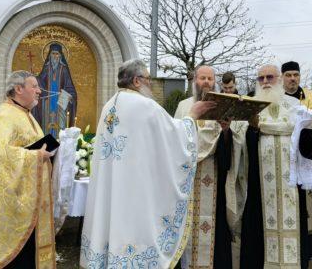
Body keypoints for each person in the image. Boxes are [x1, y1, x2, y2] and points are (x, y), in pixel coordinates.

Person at [80, 59, 215, 268]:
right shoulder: (144, 106)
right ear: (136, 80)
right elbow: (175, 138)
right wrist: (192, 116)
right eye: (147, 79)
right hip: (136, 192)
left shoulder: (109, 105)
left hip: (113, 188)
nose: (149, 84)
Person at [0, 71, 58, 268]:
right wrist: (35, 156)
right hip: (13, 202)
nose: (39, 91)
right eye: (34, 86)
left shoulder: (26, 115)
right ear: (18, 89)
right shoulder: (4, 115)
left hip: (27, 199)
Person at [240, 64, 312, 268]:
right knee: (257, 236)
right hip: (259, 185)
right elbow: (240, 149)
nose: (266, 82)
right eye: (261, 78)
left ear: (278, 79)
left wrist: (307, 129)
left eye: (270, 77)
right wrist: (251, 129)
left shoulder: (296, 106)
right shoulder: (250, 106)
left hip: (292, 185)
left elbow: (310, 147)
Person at [175, 66, 248, 269]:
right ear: (194, 81)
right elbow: (175, 141)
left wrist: (225, 132)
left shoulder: (224, 105)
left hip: (216, 177)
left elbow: (234, 147)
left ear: (215, 81)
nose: (206, 82)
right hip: (190, 180)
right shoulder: (184, 107)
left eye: (209, 78)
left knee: (217, 232)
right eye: (202, 78)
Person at [281, 61, 312, 258]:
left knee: (307, 201)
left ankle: (308, 247)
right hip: (285, 157)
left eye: (296, 75)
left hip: (306, 157)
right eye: (289, 75)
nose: (293, 78)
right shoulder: (277, 97)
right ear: (282, 77)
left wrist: (304, 125)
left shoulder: (311, 97)